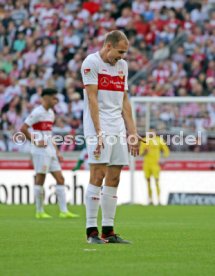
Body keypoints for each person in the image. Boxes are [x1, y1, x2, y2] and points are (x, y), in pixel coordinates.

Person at [81, 30, 140, 244]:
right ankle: (91, 232)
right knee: (98, 175)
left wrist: (132, 132)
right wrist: (98, 132)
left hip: (117, 126)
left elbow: (124, 100)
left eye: (124, 53)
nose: (122, 57)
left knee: (114, 177)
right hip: (98, 125)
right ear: (108, 46)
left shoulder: (122, 66)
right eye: (120, 52)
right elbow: (92, 98)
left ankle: (108, 230)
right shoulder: (91, 63)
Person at [20, 88, 79, 219]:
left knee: (60, 179)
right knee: (40, 179)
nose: (56, 100)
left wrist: (57, 151)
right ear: (46, 98)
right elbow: (23, 128)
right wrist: (35, 141)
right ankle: (39, 211)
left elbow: (49, 134)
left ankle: (63, 211)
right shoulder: (37, 112)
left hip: (50, 150)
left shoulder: (51, 113)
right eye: (54, 98)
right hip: (40, 151)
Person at [139, 129, 170, 205]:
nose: (151, 133)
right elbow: (140, 153)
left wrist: (163, 159)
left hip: (156, 164)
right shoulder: (144, 140)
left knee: (156, 181)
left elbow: (166, 150)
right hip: (147, 164)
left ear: (155, 132)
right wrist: (144, 152)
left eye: (153, 132)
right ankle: (150, 200)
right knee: (148, 182)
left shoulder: (159, 140)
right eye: (150, 132)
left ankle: (159, 199)